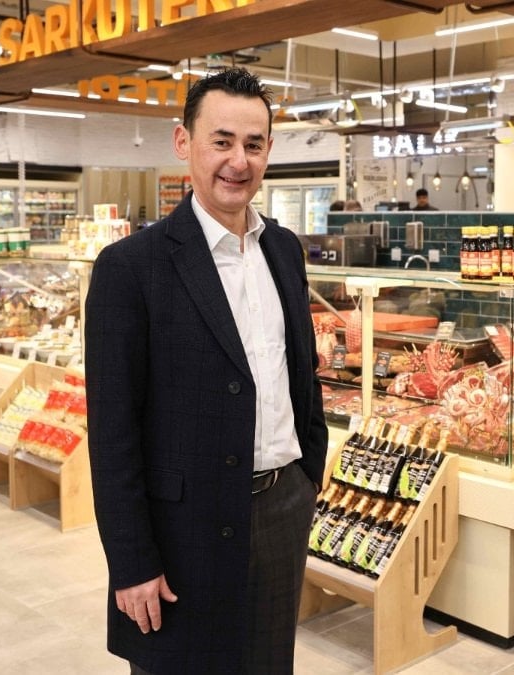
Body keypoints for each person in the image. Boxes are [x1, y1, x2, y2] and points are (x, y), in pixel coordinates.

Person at [85, 68, 328, 674]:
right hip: (181, 526)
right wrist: (131, 560)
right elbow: (112, 431)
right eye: (221, 141)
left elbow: (299, 370)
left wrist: (307, 476)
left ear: (268, 150)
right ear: (183, 142)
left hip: (281, 508)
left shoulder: (283, 250)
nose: (238, 161)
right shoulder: (130, 267)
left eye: (253, 144)